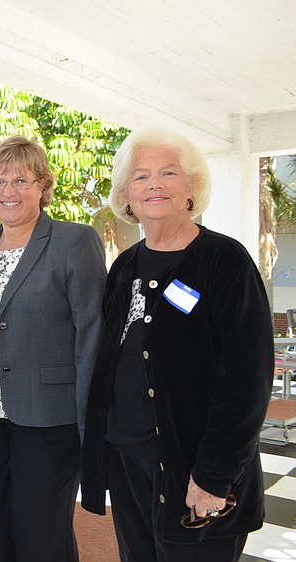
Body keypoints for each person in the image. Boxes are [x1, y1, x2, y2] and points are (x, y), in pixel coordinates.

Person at [81, 129, 273, 561]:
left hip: (193, 470)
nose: (154, 185)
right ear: (126, 194)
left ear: (191, 187)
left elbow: (247, 383)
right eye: (141, 176)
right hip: (129, 464)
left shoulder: (224, 261)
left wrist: (214, 477)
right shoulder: (125, 267)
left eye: (168, 173)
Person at [0, 136, 106, 561]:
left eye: (21, 180)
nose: (8, 191)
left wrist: (88, 424)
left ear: (43, 185)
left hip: (48, 419)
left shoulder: (73, 241)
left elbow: (92, 333)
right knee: (4, 529)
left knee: (40, 536)